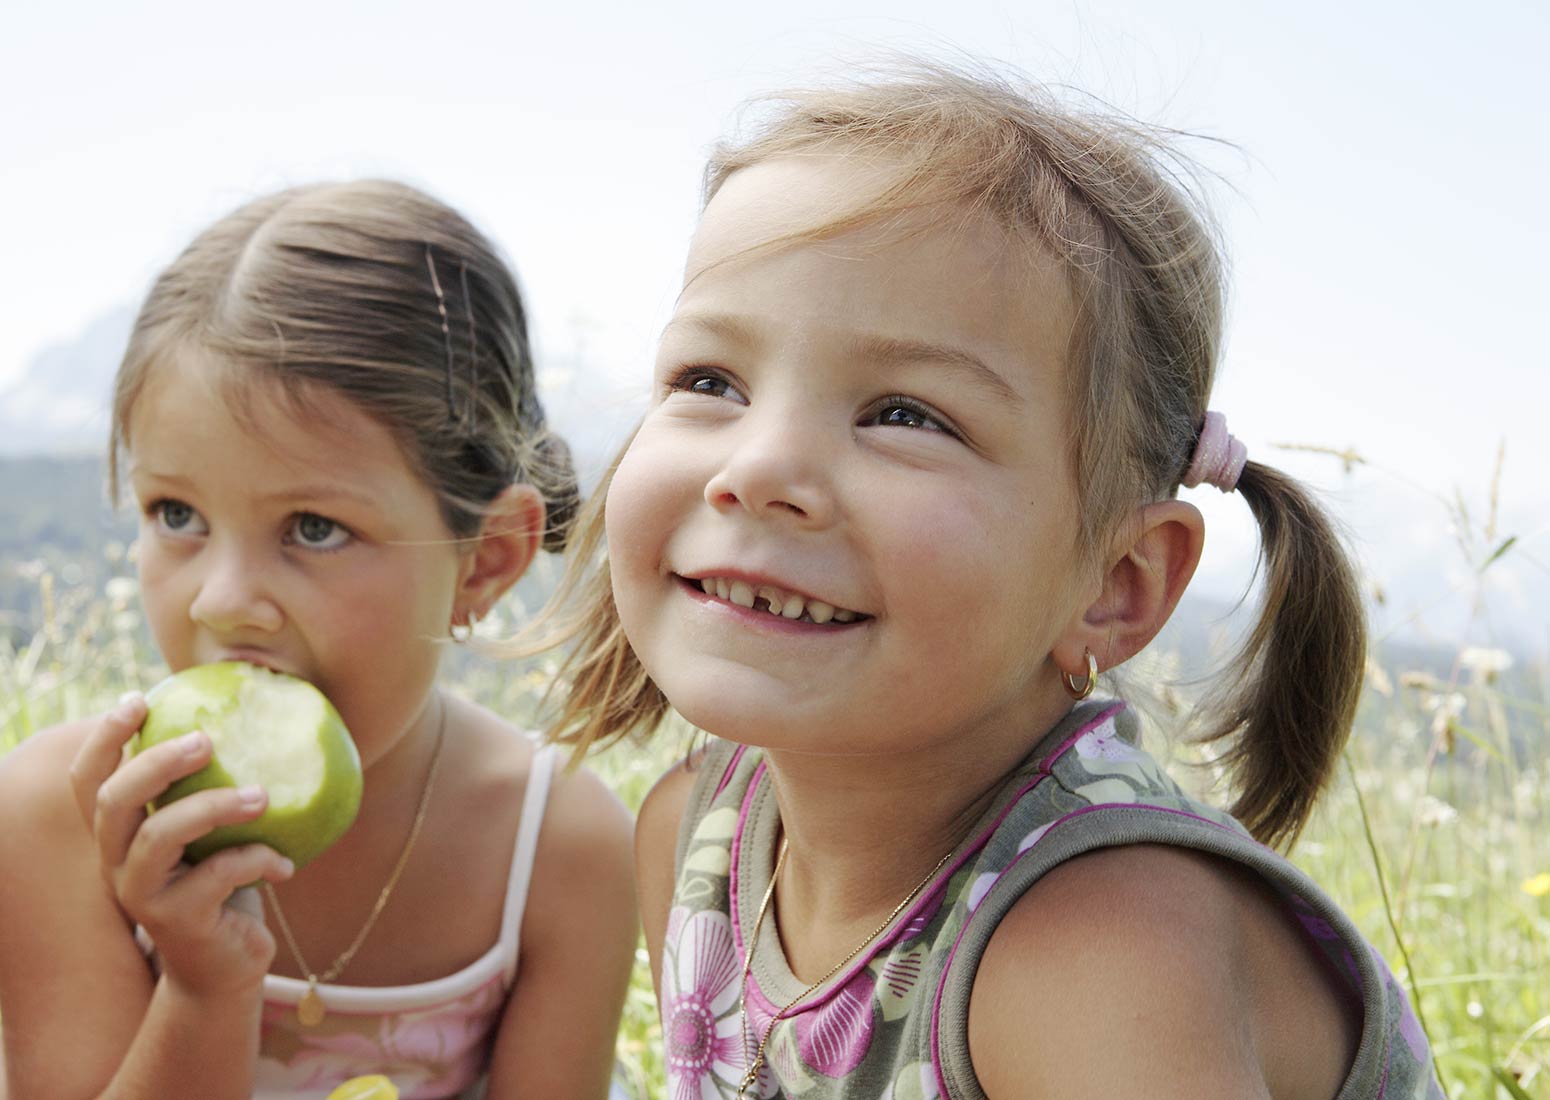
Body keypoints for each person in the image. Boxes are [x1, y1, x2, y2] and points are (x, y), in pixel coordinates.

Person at [537, 64, 1445, 1099]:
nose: (754, 470)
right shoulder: (695, 835)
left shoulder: (1095, 946)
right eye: (710, 382)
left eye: (904, 414)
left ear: (1112, 581)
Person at [0, 180, 637, 1100]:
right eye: (177, 514)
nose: (225, 601)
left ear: (484, 561)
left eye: (314, 529)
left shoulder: (563, 847)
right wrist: (206, 987)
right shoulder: (57, 816)